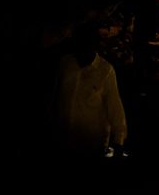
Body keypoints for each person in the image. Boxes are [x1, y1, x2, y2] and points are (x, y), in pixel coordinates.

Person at [52, 21, 128, 161]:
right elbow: (55, 97)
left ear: (94, 46)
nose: (81, 51)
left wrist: (119, 142)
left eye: (86, 46)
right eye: (79, 45)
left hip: (92, 148)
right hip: (63, 144)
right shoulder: (65, 64)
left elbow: (115, 108)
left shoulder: (105, 71)